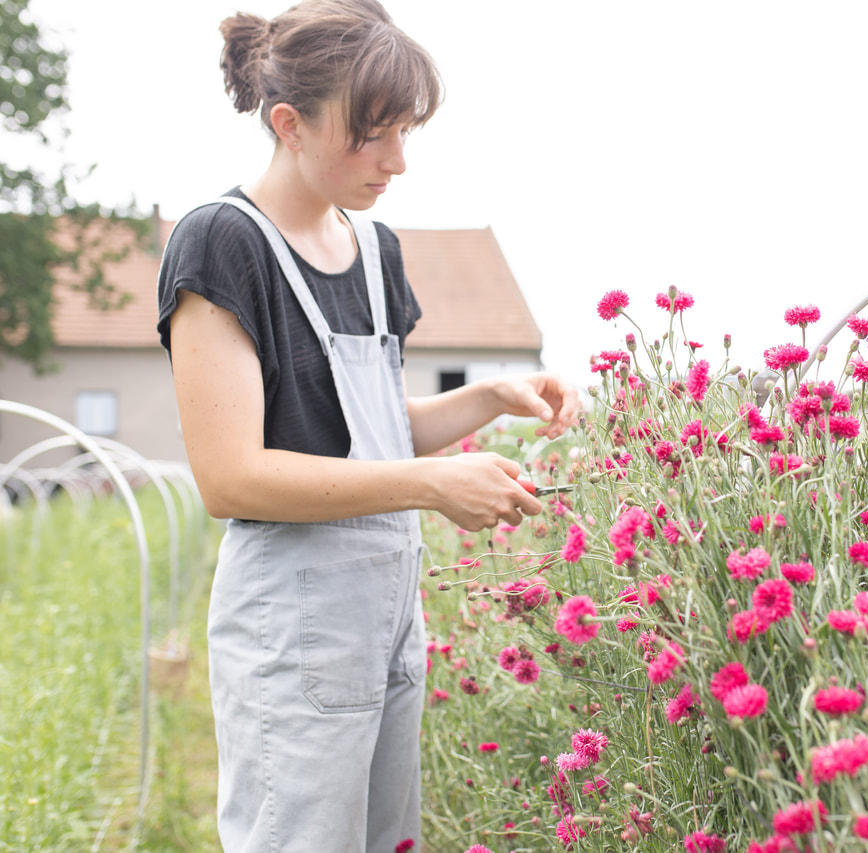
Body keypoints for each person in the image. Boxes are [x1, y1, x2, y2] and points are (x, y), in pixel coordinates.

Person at [155, 1, 579, 849]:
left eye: (406, 132)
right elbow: (232, 477)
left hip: (387, 614)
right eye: (371, 135)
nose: (397, 161)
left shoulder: (375, 248)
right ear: (290, 124)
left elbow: (373, 431)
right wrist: (430, 486)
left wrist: (491, 399)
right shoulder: (222, 245)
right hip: (295, 617)